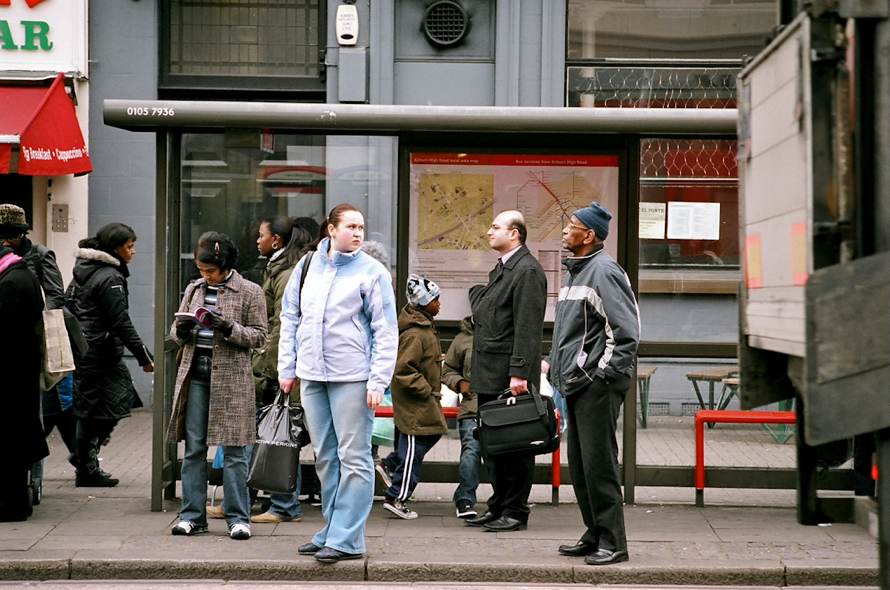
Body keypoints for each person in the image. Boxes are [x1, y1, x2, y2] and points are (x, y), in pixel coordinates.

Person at [278, 204, 398, 564]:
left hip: (353, 378)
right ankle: (331, 531)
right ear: (331, 229)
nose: (358, 233)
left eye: (362, 226)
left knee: (355, 458)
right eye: (350, 226)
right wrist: (288, 366)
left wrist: (378, 379)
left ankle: (347, 539)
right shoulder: (306, 266)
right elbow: (291, 316)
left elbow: (385, 330)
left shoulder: (373, 272)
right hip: (313, 375)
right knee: (326, 457)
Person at [549, 202, 639, 566]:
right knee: (582, 465)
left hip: (594, 386)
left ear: (588, 235)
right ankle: (595, 532)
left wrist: (602, 374)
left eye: (571, 226)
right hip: (577, 384)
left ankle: (614, 541)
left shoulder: (603, 271)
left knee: (599, 465)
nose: (565, 231)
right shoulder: (579, 271)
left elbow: (627, 333)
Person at [166, 232, 268, 540]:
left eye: (210, 271)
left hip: (233, 379)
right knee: (194, 447)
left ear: (225, 266)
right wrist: (181, 329)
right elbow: (175, 333)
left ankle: (239, 517)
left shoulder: (250, 292)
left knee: (235, 450)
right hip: (195, 374)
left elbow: (260, 336)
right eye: (201, 270)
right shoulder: (194, 289)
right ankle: (192, 515)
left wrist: (227, 327)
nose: (205, 276)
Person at [464, 210, 547, 533]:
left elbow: (527, 328)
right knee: (495, 445)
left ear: (515, 234)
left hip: (508, 376)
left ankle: (515, 510)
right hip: (492, 371)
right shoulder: (505, 267)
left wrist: (519, 375)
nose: (489, 232)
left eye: (496, 227)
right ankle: (499, 505)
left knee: (515, 445)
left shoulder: (526, 271)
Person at [67, 223, 154, 487]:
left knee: (97, 405)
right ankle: (85, 463)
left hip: (89, 349)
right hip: (99, 351)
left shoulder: (85, 271)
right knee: (99, 406)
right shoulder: (110, 277)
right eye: (129, 246)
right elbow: (120, 321)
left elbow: (70, 304)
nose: (133, 251)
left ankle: (84, 457)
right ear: (114, 248)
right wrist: (143, 356)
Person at [0, 204, 74, 503]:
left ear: (20, 235)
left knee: (36, 412)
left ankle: (35, 480)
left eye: (10, 236)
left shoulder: (40, 255)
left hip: (33, 340)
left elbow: (56, 295)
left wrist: (35, 317)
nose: (5, 242)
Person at [250, 216, 311, 524]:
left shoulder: (286, 273)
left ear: (276, 240)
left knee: (283, 435)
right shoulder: (279, 267)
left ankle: (285, 505)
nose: (256, 241)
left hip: (280, 370)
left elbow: (282, 325)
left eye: (261, 235)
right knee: (273, 433)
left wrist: (268, 367)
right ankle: (265, 501)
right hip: (279, 366)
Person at [382, 274, 447, 520]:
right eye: (435, 300)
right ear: (423, 302)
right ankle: (397, 496)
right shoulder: (415, 334)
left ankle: (389, 464)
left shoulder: (423, 328)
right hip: (416, 402)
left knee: (424, 439)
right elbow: (403, 369)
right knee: (413, 451)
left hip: (423, 400)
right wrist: (425, 390)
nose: (439, 304)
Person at [0, 238, 48, 521]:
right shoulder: (19, 275)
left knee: (10, 446)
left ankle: (13, 505)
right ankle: (17, 501)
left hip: (11, 378)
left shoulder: (12, 282)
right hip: (19, 376)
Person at [441, 294, 481, 520]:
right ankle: (465, 498)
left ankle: (502, 502)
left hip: (500, 409)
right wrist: (460, 384)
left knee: (499, 458)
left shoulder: (504, 333)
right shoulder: (463, 339)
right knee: (471, 451)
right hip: (471, 408)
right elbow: (447, 370)